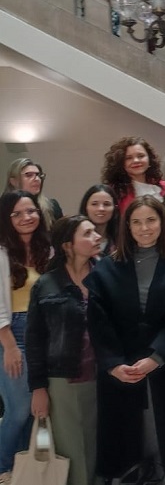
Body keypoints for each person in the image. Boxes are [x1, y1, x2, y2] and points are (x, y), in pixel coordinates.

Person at [85, 196, 165, 485]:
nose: (144, 228)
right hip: (120, 370)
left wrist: (156, 357)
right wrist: (112, 364)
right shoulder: (108, 268)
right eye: (136, 222)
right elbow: (98, 322)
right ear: (127, 227)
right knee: (124, 446)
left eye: (150, 220)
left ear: (162, 222)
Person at [25, 215, 102, 485]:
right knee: (72, 452)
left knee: (101, 449)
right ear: (68, 245)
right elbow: (34, 340)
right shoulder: (46, 284)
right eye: (88, 233)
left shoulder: (105, 276)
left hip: (105, 376)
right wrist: (38, 388)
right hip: (64, 380)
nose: (97, 237)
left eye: (96, 232)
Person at [0, 191, 51, 483]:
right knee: (18, 410)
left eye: (30, 211)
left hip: (44, 332)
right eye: (17, 213)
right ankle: (2, 466)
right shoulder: (2, 251)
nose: (26, 218)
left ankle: (24, 470)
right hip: (12, 333)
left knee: (36, 410)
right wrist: (8, 345)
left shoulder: (49, 249)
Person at [102, 136, 165, 215]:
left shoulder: (163, 186)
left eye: (141, 156)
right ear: (121, 163)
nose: (136, 161)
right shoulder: (114, 191)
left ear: (150, 159)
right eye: (129, 158)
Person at [5, 158, 63, 230]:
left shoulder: (52, 206)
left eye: (38, 175)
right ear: (14, 181)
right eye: (29, 175)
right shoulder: (3, 208)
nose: (37, 179)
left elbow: (61, 237)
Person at [79, 184, 119, 256]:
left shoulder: (122, 242)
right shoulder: (75, 241)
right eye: (94, 204)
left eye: (106, 204)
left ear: (115, 208)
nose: (101, 209)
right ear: (85, 207)